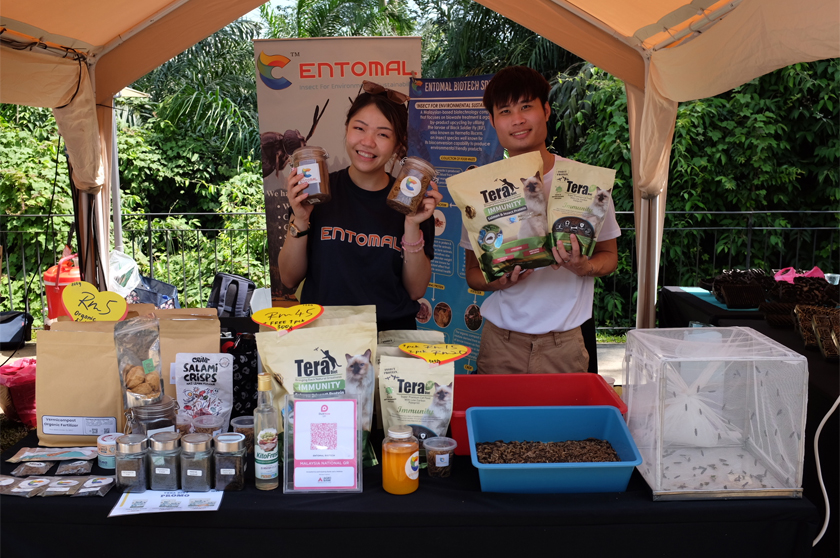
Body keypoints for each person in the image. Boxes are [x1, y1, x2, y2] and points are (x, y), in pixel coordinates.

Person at [460, 66, 620, 374]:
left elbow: (609, 256)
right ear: (493, 121)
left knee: (565, 410)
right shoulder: (480, 190)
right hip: (501, 345)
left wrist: (584, 267)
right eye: (505, 111)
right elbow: (473, 274)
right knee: (495, 409)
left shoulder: (585, 183)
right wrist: (498, 281)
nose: (517, 120)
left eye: (526, 107)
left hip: (565, 346)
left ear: (545, 110)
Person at [278, 81, 442, 332]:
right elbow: (289, 278)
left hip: (389, 339)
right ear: (347, 129)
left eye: (383, 134)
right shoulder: (318, 193)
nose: (367, 142)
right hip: (325, 337)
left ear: (398, 144)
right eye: (359, 128)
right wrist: (300, 219)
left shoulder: (411, 201)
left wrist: (411, 224)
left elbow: (416, 290)